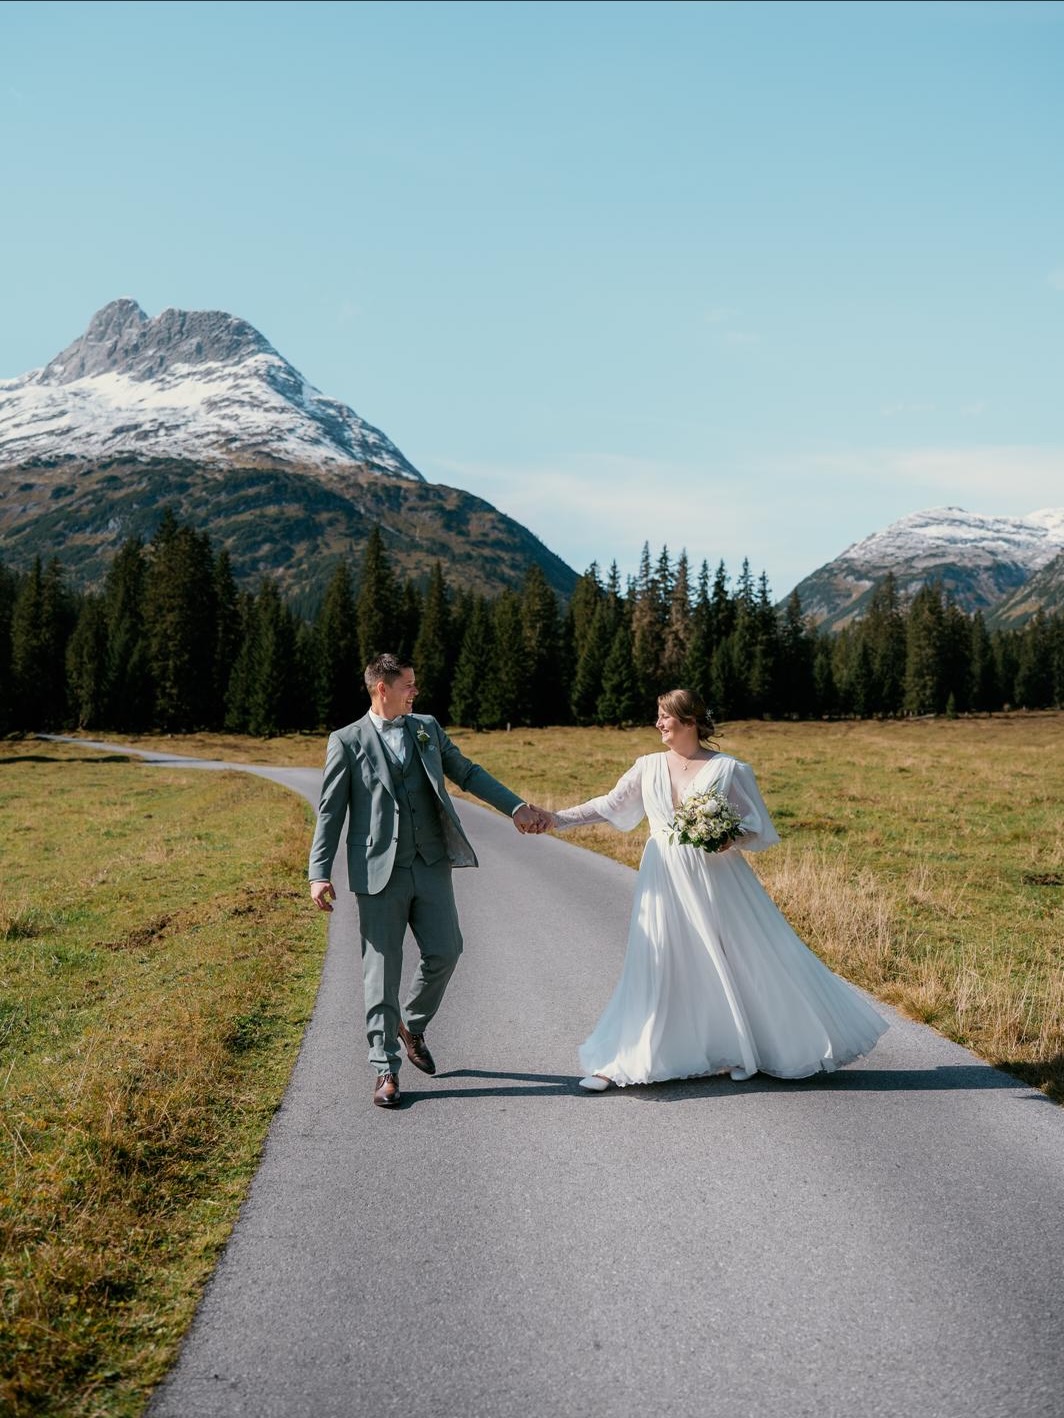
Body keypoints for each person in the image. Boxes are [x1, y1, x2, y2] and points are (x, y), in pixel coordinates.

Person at [547, 688, 888, 1091]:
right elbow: (607, 805)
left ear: (689, 720)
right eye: (658, 716)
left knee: (735, 958)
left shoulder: (728, 769)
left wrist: (729, 836)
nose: (658, 723)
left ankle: (743, 1050)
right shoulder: (648, 766)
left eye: (665, 716)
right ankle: (620, 1061)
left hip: (715, 876)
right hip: (663, 875)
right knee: (656, 961)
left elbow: (755, 826)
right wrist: (554, 818)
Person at [309, 652, 551, 1109]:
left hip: (431, 863)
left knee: (447, 950)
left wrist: (516, 807)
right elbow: (330, 811)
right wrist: (318, 873)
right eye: (408, 685)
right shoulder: (346, 741)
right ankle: (385, 1068)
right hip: (377, 871)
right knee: (381, 971)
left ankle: (412, 1024)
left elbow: (468, 773)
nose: (415, 691)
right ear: (382, 689)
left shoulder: (427, 728)